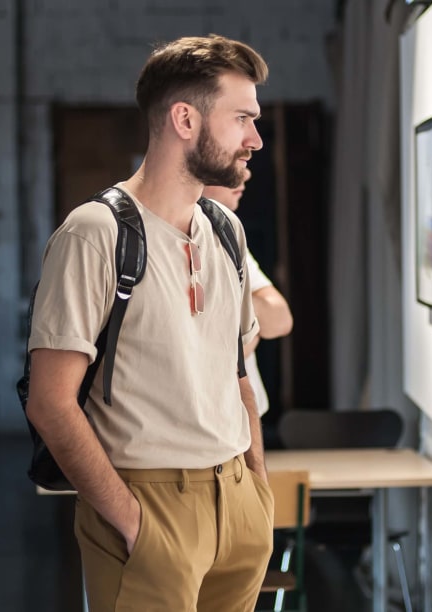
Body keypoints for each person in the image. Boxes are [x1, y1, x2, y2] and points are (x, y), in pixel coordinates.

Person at [25, 35, 274, 612]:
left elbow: (236, 371)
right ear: (185, 119)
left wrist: (256, 492)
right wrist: (133, 522)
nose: (255, 139)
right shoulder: (94, 233)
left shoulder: (226, 231)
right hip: (146, 504)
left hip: (237, 502)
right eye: (242, 118)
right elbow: (51, 403)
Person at [204, 168, 293, 417]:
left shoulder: (226, 235)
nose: (246, 175)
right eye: (234, 162)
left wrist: (235, 311)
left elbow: (280, 319)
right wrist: (250, 332)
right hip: (208, 420)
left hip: (245, 414)